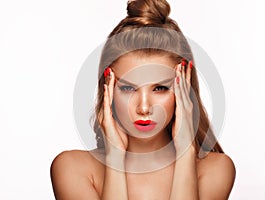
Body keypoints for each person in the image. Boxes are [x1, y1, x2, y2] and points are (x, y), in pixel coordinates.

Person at [50, 0, 236, 199]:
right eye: (128, 88)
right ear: (108, 89)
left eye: (160, 88)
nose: (144, 107)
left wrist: (185, 152)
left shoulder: (215, 169)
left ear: (184, 90)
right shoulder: (73, 168)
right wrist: (115, 157)